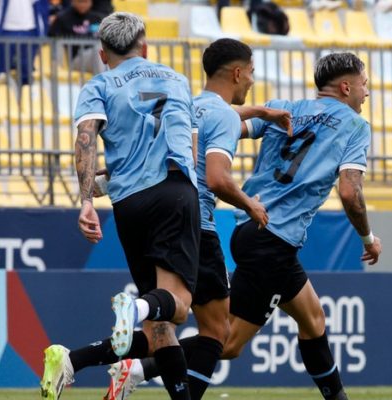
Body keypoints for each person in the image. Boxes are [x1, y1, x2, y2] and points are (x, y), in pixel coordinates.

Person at [108, 51, 382, 400]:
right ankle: (139, 367)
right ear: (346, 87)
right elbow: (350, 191)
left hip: (253, 231)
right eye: (364, 85)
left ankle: (140, 368)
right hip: (273, 238)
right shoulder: (356, 127)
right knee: (224, 340)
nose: (367, 93)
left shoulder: (285, 108)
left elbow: (223, 123)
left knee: (312, 321)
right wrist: (367, 238)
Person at [102, 37, 291, 400]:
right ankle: (123, 360)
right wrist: (250, 204)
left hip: (160, 214)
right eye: (251, 72)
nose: (252, 79)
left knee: (172, 326)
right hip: (198, 224)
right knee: (215, 334)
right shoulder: (220, 114)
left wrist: (261, 112)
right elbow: (219, 178)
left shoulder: (189, 104)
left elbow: (221, 115)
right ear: (238, 73)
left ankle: (115, 363)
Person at [40, 12, 199, 400]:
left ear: (103, 54)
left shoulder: (99, 84)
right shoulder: (178, 81)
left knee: (161, 329)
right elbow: (187, 148)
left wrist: (85, 201)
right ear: (144, 47)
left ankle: (81, 354)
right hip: (175, 190)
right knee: (176, 308)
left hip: (130, 203)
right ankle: (135, 307)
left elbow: (86, 138)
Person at [48, 0, 106, 74]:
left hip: (98, 58)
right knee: (99, 51)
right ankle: (106, 84)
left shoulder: (97, 18)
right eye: (80, 1)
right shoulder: (62, 18)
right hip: (77, 59)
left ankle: (110, 82)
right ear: (73, 1)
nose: (83, 5)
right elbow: (54, 39)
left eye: (85, 2)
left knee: (106, 50)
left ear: (91, 2)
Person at [0, 0, 49, 85]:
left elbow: (42, 10)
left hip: (30, 30)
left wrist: (42, 33)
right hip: (6, 30)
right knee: (1, 72)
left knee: (26, 73)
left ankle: (26, 95)